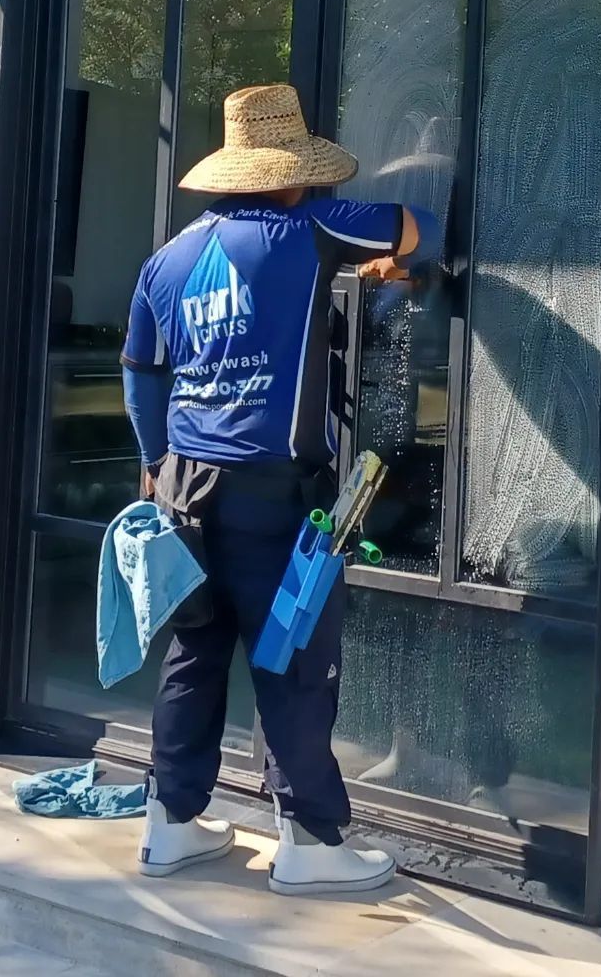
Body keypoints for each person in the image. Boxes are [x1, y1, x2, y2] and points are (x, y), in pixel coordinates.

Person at [120, 84, 440, 895]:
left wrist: (156, 462)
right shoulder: (309, 228)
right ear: (291, 172)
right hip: (271, 489)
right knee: (292, 656)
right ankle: (308, 841)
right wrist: (392, 265)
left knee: (194, 649)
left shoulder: (168, 260)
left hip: (183, 487)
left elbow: (138, 377)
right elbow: (419, 228)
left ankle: (172, 824)